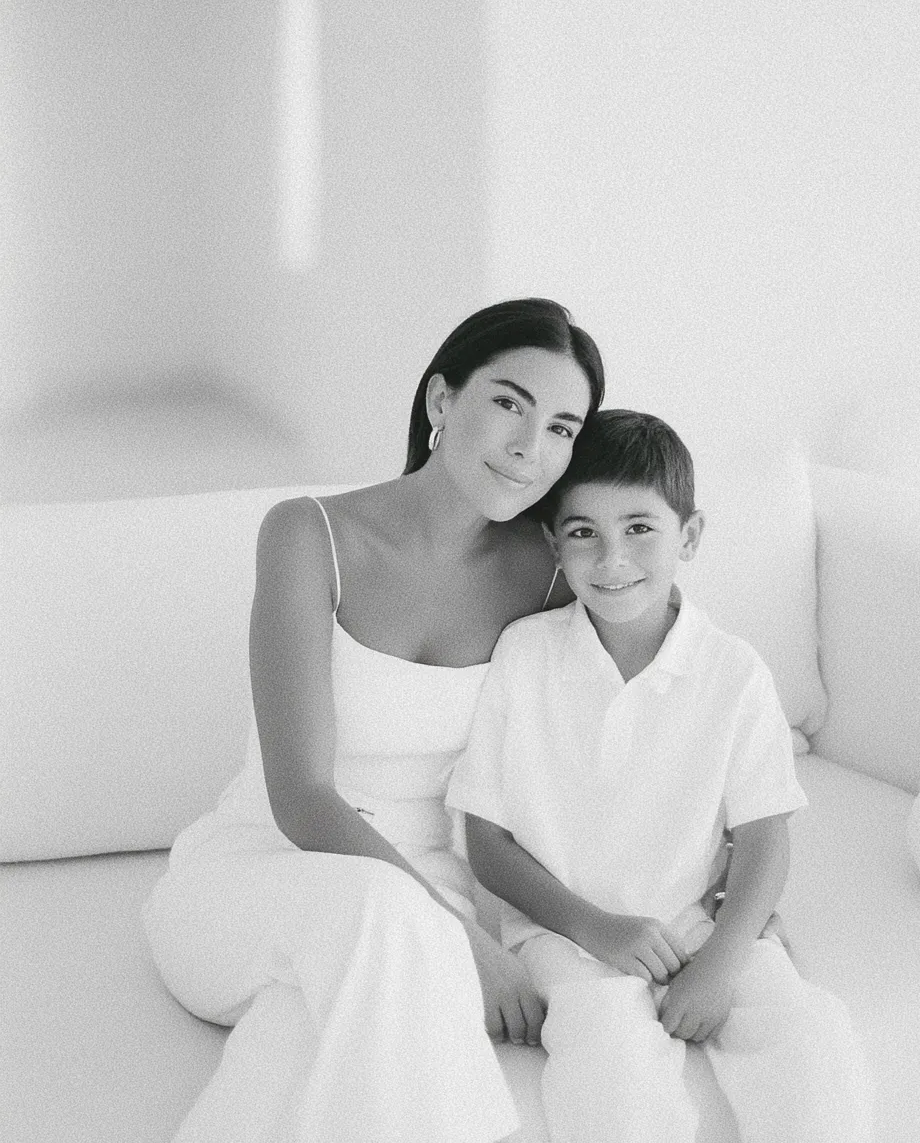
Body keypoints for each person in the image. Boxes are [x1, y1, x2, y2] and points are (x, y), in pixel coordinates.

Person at [141, 299, 606, 1143]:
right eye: (509, 402)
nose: (530, 448)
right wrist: (462, 940)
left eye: (563, 428)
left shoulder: (551, 574)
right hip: (259, 877)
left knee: (294, 1052)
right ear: (440, 402)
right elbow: (301, 794)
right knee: (382, 926)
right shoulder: (309, 534)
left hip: (417, 906)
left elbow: (655, 698)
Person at [446, 408, 874, 1143]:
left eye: (640, 528)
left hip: (700, 925)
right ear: (553, 540)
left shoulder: (733, 671)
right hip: (565, 936)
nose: (612, 560)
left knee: (808, 1038)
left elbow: (766, 841)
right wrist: (596, 928)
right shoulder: (524, 655)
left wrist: (723, 958)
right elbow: (486, 841)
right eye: (584, 532)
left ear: (691, 535)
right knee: (608, 1073)